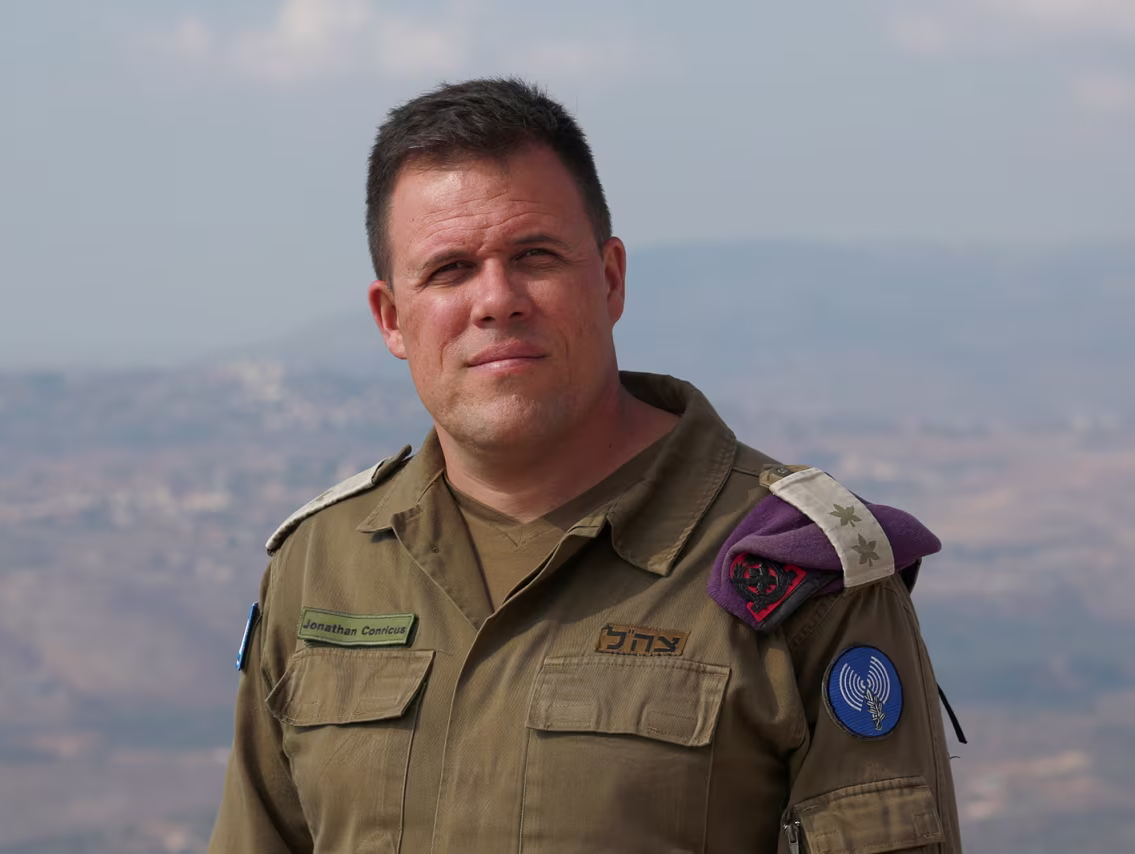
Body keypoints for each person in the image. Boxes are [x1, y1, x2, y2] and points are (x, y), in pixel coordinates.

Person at [209, 78, 962, 853]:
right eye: (450, 270)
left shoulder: (801, 573)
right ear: (392, 318)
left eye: (534, 255)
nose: (496, 300)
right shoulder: (320, 568)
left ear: (609, 279)